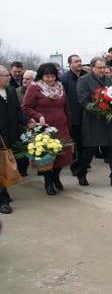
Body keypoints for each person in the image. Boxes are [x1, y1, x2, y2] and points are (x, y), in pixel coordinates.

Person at [22, 63, 73, 195]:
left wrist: (68, 121)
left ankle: (56, 178)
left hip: (61, 126)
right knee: (47, 157)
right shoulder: (34, 88)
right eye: (47, 76)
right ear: (41, 76)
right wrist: (38, 116)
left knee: (62, 156)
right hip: (44, 128)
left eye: (52, 76)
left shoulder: (60, 87)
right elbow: (26, 107)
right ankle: (48, 182)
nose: (50, 79)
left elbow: (65, 106)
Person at [74, 57, 112, 188]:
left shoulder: (109, 79)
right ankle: (81, 172)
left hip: (109, 121)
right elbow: (83, 101)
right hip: (93, 122)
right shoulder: (84, 80)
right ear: (92, 68)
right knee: (89, 152)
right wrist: (100, 109)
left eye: (104, 67)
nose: (103, 70)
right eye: (100, 68)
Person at [0, 65, 35, 214]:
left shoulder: (10, 92)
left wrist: (28, 121)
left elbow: (17, 111)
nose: (9, 78)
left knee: (5, 167)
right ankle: (3, 200)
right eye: (6, 75)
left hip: (11, 136)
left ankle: (3, 193)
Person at [60, 55, 88, 174]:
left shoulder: (86, 76)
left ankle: (83, 165)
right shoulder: (64, 78)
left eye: (80, 61)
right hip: (73, 117)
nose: (79, 63)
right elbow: (62, 98)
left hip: (87, 115)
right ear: (69, 64)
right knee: (76, 144)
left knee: (85, 143)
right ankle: (75, 166)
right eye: (76, 61)